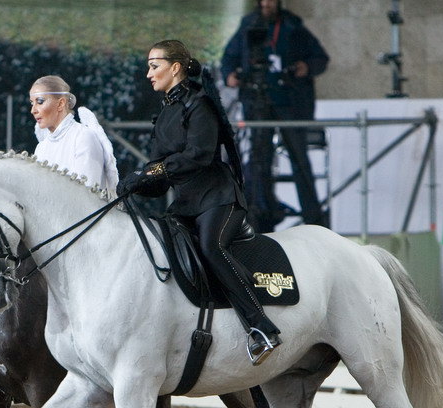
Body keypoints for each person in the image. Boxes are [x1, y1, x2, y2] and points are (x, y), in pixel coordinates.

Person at [117, 39, 280, 365]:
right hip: (186, 203)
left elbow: (199, 155)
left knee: (211, 247)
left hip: (218, 199)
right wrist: (138, 184)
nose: (148, 73)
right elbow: (160, 171)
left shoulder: (200, 105)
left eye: (154, 65)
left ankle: (261, 326)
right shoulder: (164, 113)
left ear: (175, 67)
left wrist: (151, 172)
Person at [221, 0, 330, 231]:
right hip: (257, 104)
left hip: (290, 105)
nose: (266, 4)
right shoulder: (248, 25)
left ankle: (314, 219)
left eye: (271, 1)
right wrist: (230, 74)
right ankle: (260, 214)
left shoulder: (293, 26)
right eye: (262, 1)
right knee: (260, 162)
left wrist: (306, 67)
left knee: (300, 160)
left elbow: (320, 58)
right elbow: (229, 57)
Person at [30, 75, 118, 196]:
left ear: (61, 103)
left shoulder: (83, 137)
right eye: (32, 103)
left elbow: (88, 195)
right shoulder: (41, 148)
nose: (33, 110)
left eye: (40, 101)